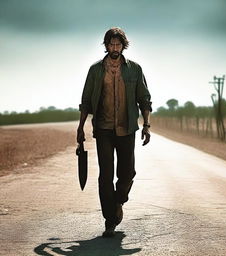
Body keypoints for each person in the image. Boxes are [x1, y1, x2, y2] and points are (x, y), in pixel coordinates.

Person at [77, 27, 152, 237]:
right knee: (105, 176)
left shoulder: (134, 70)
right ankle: (110, 220)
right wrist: (80, 127)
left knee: (128, 173)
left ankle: (119, 201)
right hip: (103, 129)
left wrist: (146, 125)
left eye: (118, 45)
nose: (115, 48)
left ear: (123, 46)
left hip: (127, 129)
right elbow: (85, 101)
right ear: (106, 45)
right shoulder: (95, 70)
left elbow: (145, 99)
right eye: (111, 44)